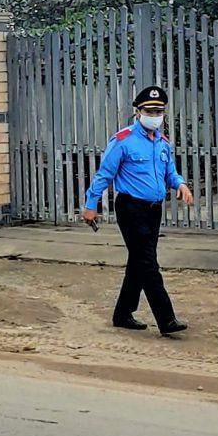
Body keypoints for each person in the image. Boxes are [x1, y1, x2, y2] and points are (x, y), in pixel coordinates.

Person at [84, 85, 194, 335]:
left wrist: (181, 184)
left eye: (159, 111)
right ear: (137, 112)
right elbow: (104, 175)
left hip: (154, 210)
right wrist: (91, 205)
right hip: (130, 207)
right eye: (149, 110)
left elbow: (170, 173)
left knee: (138, 262)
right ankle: (166, 319)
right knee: (147, 262)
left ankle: (123, 313)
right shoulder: (123, 140)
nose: (154, 115)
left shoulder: (162, 143)